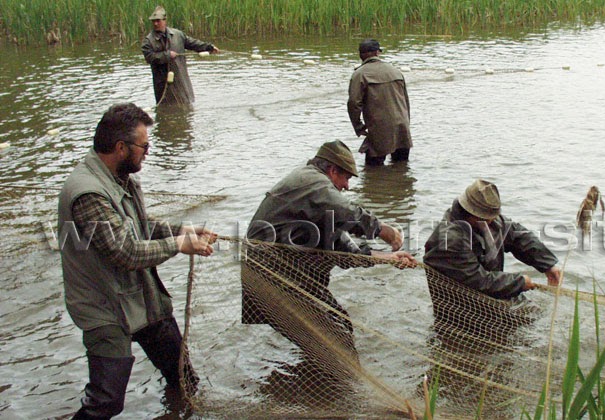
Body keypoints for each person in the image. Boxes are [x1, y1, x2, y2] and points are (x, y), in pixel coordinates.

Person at [58, 103, 217, 419]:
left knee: (184, 379)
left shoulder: (120, 178)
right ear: (120, 148)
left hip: (141, 298)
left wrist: (182, 229)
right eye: (144, 145)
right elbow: (125, 251)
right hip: (105, 309)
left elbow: (140, 224)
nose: (148, 151)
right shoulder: (88, 192)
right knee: (106, 402)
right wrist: (179, 244)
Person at [243, 140, 415, 376]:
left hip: (291, 276)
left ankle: (315, 385)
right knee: (337, 343)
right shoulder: (312, 182)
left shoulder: (316, 201)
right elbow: (347, 212)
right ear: (332, 171)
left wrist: (389, 257)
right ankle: (342, 392)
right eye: (345, 179)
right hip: (271, 279)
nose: (346, 187)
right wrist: (384, 230)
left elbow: (344, 249)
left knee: (340, 323)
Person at [423, 179, 561, 336]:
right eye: (486, 217)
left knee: (536, 322)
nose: (492, 221)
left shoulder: (489, 221)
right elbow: (479, 280)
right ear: (470, 212)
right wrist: (519, 282)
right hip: (462, 312)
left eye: (493, 216)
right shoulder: (449, 240)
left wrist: (548, 265)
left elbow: (518, 236)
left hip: (491, 299)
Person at [347, 39, 413, 166]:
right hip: (402, 126)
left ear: (361, 55)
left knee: (373, 170)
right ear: (377, 53)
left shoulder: (359, 74)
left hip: (379, 129)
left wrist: (358, 127)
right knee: (401, 167)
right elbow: (406, 101)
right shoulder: (395, 71)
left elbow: (354, 104)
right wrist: (406, 123)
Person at [141, 6, 220, 105]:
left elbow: (193, 43)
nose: (155, 23)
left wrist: (209, 47)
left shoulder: (178, 35)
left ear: (165, 20)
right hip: (163, 82)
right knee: (166, 107)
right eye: (153, 21)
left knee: (186, 104)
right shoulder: (148, 41)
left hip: (181, 79)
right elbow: (149, 57)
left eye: (158, 21)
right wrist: (167, 55)